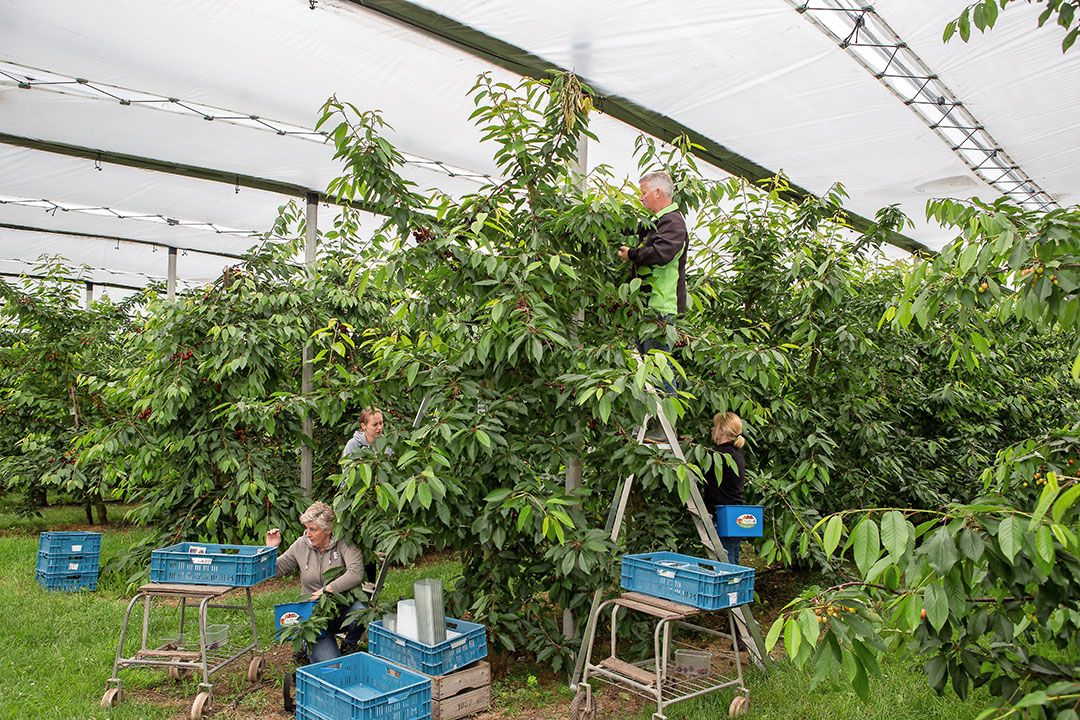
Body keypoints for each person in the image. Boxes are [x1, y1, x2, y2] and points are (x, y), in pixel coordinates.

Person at [266, 501, 367, 662]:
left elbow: (356, 573)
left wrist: (325, 591)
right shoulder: (301, 544)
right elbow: (275, 570)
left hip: (340, 609)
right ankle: (307, 646)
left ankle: (349, 645)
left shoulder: (343, 543)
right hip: (312, 616)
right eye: (307, 528)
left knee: (361, 611)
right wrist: (270, 550)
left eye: (313, 529)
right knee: (331, 666)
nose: (308, 534)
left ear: (328, 530)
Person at [618, 170, 688, 395]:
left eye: (643, 192)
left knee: (658, 367)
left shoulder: (673, 223)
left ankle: (667, 417)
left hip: (660, 307)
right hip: (647, 307)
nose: (641, 198)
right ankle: (658, 420)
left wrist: (632, 254)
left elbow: (661, 254)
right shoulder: (656, 222)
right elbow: (631, 229)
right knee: (650, 366)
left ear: (657, 192)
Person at [702, 412, 747, 565]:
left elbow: (700, 475)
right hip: (736, 515)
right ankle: (738, 589)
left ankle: (730, 590)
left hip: (722, 517)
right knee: (733, 560)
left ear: (721, 431)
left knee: (725, 564)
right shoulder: (736, 454)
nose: (712, 430)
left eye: (714, 427)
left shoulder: (718, 455)